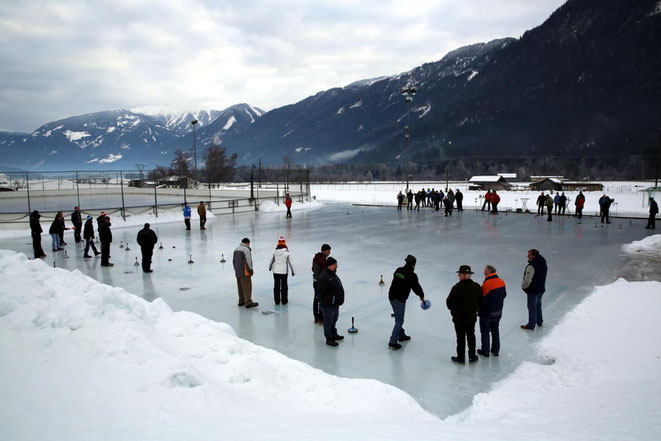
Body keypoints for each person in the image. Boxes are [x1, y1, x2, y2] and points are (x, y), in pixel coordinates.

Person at [387, 255, 425, 350]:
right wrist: (421, 296)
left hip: (391, 297)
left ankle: (402, 335)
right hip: (400, 300)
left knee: (398, 318)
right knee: (399, 320)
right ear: (413, 265)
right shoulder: (412, 275)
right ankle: (393, 341)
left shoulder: (398, 270)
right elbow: (416, 287)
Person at [446, 265, 482, 363]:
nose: (458, 276)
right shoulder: (477, 287)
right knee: (471, 336)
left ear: (463, 275)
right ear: (469, 275)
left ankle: (461, 357)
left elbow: (449, 304)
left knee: (460, 337)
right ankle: (472, 356)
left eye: (459, 274)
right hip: (471, 318)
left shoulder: (456, 288)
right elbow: (481, 302)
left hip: (459, 319)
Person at [478, 265, 506, 357]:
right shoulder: (501, 282)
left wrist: (478, 308)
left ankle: (485, 351)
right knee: (495, 330)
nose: (484, 273)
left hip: (486, 313)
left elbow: (483, 299)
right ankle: (495, 350)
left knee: (485, 332)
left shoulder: (487, 283)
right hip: (497, 312)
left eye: (485, 271)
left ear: (488, 272)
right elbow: (504, 294)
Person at [317, 257, 344, 347]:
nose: (336, 266)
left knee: (334, 319)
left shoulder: (332, 274)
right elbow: (320, 291)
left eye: (336, 264)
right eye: (334, 265)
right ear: (329, 266)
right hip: (328, 304)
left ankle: (333, 334)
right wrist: (327, 299)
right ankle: (329, 338)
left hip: (334, 303)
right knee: (328, 321)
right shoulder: (325, 277)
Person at [521, 249, 548, 330]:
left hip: (533, 290)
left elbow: (527, 279)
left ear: (533, 255)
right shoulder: (543, 264)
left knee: (532, 307)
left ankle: (531, 324)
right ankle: (539, 322)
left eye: (529, 255)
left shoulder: (531, 266)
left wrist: (524, 287)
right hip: (541, 289)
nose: (528, 257)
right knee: (538, 306)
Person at [269, 236, 295, 305]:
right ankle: (284, 300)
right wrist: (293, 271)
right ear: (284, 243)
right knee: (284, 286)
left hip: (276, 272)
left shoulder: (275, 252)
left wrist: (270, 267)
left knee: (276, 286)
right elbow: (291, 263)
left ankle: (277, 301)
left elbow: (272, 260)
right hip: (284, 272)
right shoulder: (287, 253)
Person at [233, 238, 258, 308]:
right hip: (245, 272)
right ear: (247, 243)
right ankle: (248, 302)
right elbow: (248, 261)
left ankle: (241, 301)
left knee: (240, 287)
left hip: (238, 271)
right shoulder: (246, 249)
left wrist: (236, 269)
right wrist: (250, 270)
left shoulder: (236, 249)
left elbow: (233, 261)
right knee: (247, 286)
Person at [311, 244, 331, 324]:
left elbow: (313, 269)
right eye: (328, 250)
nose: (329, 252)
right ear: (324, 251)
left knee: (316, 299)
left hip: (315, 281)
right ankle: (321, 318)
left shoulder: (316, 258)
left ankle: (316, 318)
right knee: (322, 299)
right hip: (320, 283)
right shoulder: (322, 260)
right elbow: (325, 272)